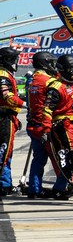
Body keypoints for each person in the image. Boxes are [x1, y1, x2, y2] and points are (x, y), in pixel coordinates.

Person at [40, 54, 73, 200]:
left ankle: (61, 189)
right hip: (61, 127)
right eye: (72, 68)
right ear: (63, 70)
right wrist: (45, 129)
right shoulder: (56, 87)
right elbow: (46, 109)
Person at [26, 51, 62, 198]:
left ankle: (34, 189)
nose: (53, 66)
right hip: (45, 125)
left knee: (38, 159)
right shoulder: (49, 81)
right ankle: (61, 188)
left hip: (33, 124)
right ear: (44, 63)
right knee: (58, 157)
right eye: (51, 63)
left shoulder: (31, 79)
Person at [0, 47, 26, 196]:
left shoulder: (6, 73)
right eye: (13, 59)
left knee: (7, 152)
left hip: (8, 117)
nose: (16, 62)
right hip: (3, 117)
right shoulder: (3, 75)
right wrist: (25, 105)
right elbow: (7, 96)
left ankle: (5, 184)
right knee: (4, 151)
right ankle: (3, 185)